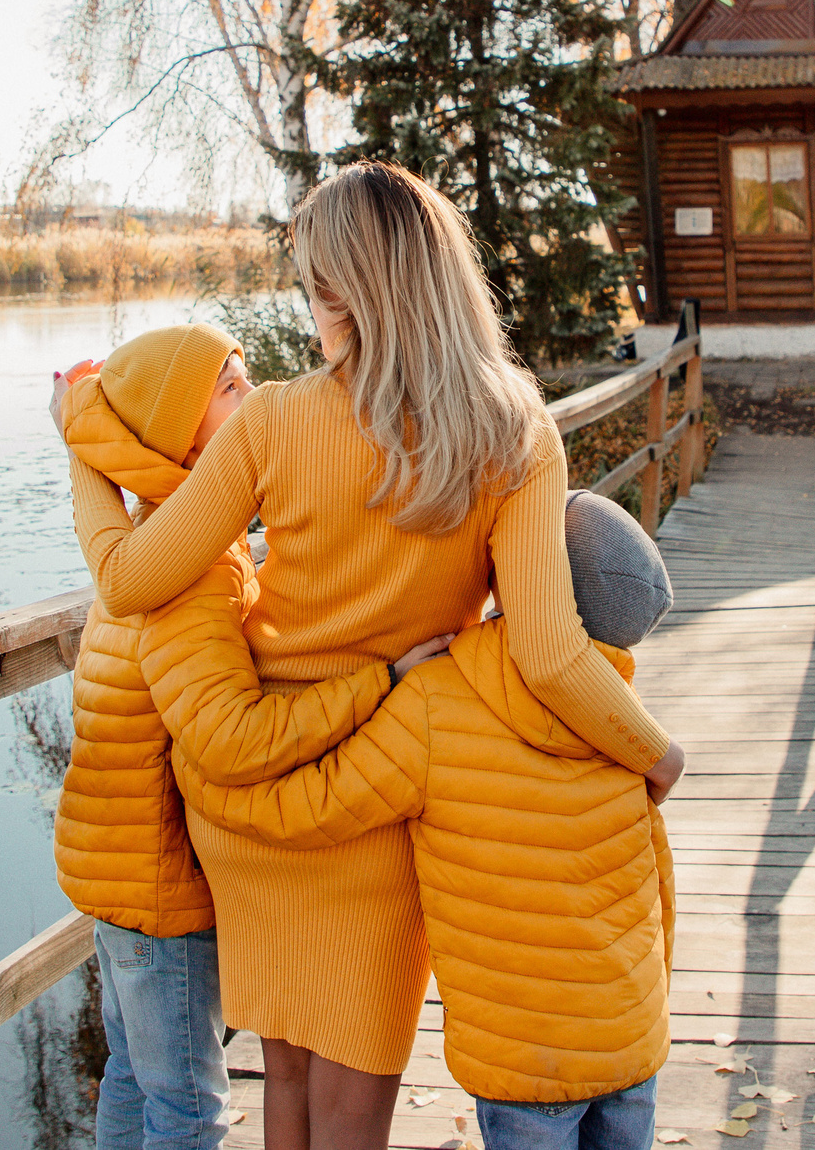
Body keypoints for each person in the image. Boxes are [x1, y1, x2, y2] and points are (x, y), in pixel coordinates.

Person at [52, 163, 684, 1150]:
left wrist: (81, 440)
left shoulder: (272, 418)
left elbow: (129, 579)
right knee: (351, 1106)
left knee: (290, 1086)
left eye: (311, 287)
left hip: (251, 798)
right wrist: (653, 751)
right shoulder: (511, 426)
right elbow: (552, 656)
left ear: (340, 293)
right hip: (382, 792)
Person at [174, 489, 679, 1150]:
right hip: (631, 1037)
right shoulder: (623, 727)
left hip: (523, 1059)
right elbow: (661, 889)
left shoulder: (440, 699)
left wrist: (215, 788)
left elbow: (319, 805)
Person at [48, 322, 451, 1150]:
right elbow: (233, 733)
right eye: (229, 387)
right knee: (190, 1104)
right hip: (164, 892)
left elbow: (116, 546)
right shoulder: (191, 571)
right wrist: (380, 680)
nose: (257, 394)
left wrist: (80, 430)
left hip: (117, 877)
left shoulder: (154, 544)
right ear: (182, 436)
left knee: (132, 1075)